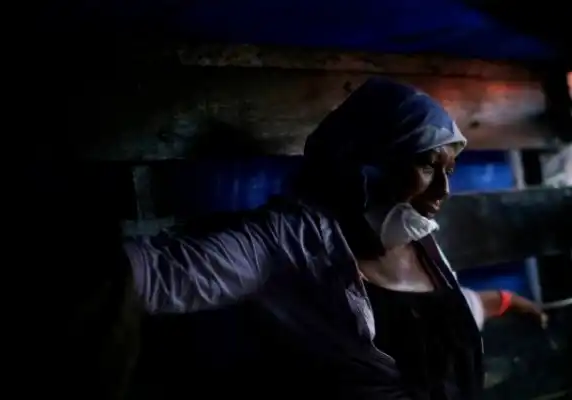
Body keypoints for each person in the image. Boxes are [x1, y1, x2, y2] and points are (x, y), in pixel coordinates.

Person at [124, 77, 544, 399]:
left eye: (449, 170)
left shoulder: (418, 238)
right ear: (369, 164)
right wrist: (110, 275)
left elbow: (430, 317)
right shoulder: (290, 240)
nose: (443, 191)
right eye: (427, 165)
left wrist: (501, 301)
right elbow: (162, 273)